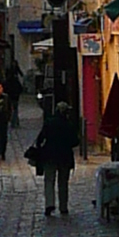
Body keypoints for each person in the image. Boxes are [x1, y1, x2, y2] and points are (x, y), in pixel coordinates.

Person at [39, 89, 81, 218]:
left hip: (50, 156)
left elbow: (40, 139)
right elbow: (75, 141)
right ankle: (63, 206)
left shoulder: (49, 122)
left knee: (49, 181)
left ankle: (49, 205)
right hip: (65, 157)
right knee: (63, 182)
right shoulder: (69, 124)